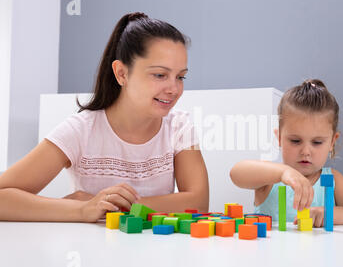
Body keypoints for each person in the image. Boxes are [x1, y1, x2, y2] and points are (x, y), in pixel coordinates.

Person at [0, 12, 209, 222]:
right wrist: (81, 210)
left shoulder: (179, 126)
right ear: (121, 73)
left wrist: (112, 204)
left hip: (157, 251)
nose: (174, 89)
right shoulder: (80, 130)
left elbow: (198, 203)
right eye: (160, 75)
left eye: (180, 77)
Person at [230, 79, 343, 227]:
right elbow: (236, 173)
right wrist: (283, 172)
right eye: (295, 141)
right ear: (279, 138)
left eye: (317, 142)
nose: (305, 151)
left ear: (332, 142)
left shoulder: (332, 179)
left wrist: (328, 213)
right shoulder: (270, 178)